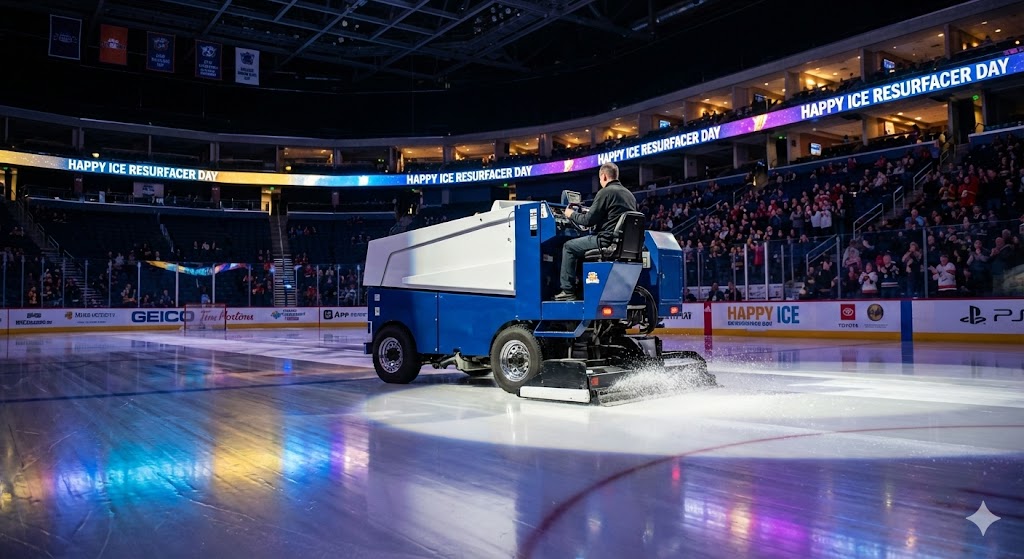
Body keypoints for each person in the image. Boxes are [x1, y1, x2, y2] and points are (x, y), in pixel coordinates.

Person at [555, 162, 638, 301]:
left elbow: (587, 220)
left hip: (605, 240)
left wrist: (570, 214)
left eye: (600, 179)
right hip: (623, 244)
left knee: (569, 247)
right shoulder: (630, 195)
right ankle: (581, 289)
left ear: (604, 176)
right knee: (578, 248)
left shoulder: (605, 192)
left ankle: (567, 292)